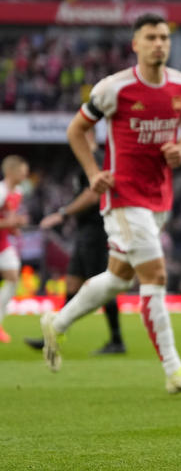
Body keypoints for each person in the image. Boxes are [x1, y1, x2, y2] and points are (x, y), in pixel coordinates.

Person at [40, 13, 181, 394]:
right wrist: (91, 172)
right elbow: (76, 129)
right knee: (156, 276)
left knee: (119, 278)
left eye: (164, 37)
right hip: (123, 196)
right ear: (135, 44)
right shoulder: (113, 89)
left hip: (159, 197)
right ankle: (174, 370)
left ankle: (57, 323)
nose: (159, 44)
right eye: (150, 37)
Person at [24, 129, 125, 354]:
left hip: (97, 230)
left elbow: (93, 194)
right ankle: (55, 335)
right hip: (85, 231)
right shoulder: (87, 163)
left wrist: (63, 213)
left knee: (104, 284)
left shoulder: (96, 160)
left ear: (87, 137)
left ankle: (117, 340)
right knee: (72, 283)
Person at [0, 155, 30, 343]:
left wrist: (15, 225)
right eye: (22, 172)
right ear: (10, 172)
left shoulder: (17, 192)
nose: (25, 175)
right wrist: (10, 223)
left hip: (3, 243)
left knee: (13, 277)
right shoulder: (1, 191)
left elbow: (9, 219)